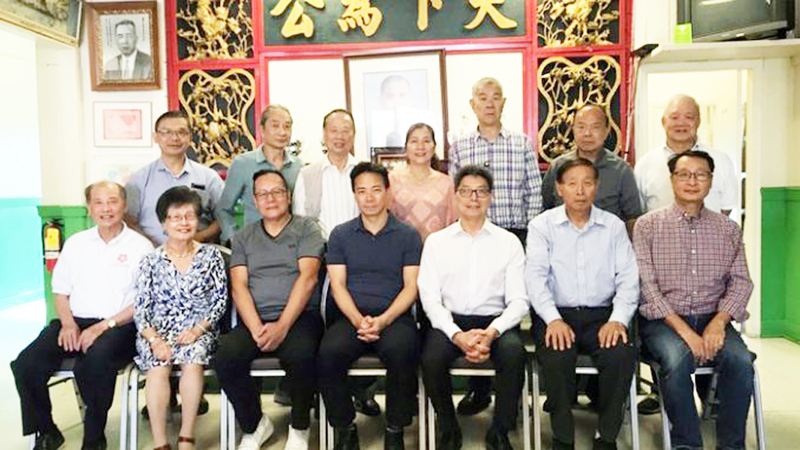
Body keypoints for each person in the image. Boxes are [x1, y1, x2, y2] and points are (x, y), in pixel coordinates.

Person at [11, 181, 153, 450]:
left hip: (119, 325)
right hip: (74, 321)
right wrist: (67, 323)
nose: (106, 209)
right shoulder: (76, 243)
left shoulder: (141, 247)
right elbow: (60, 290)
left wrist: (103, 327)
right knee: (26, 364)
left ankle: (94, 438)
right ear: (89, 208)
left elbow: (144, 301)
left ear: (124, 205)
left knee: (94, 363)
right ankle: (46, 430)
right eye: (98, 202)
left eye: (112, 201)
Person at [635, 150, 755, 450]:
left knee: (740, 361)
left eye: (701, 175)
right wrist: (687, 333)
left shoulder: (728, 229)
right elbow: (646, 287)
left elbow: (741, 282)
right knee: (677, 360)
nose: (692, 181)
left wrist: (718, 323)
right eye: (684, 174)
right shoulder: (647, 226)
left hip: (714, 317)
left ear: (711, 181)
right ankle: (686, 444)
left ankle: (731, 445)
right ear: (672, 179)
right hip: (664, 322)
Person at [526, 158, 639, 450]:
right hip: (557, 315)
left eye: (587, 183)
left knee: (620, 355)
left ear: (596, 187)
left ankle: (607, 435)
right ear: (559, 188)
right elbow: (535, 279)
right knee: (556, 356)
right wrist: (552, 319)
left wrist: (618, 320)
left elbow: (628, 279)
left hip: (603, 315)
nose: (580, 190)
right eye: (572, 183)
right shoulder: (542, 226)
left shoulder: (613, 226)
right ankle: (563, 437)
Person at [448, 76, 542, 415]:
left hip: (513, 236)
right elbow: (456, 192)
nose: (489, 103)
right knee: (477, 307)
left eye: (495, 97)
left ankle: (510, 399)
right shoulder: (460, 146)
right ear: (472, 104)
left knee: (510, 314)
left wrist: (530, 241)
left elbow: (534, 192)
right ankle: (479, 392)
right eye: (482, 97)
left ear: (504, 103)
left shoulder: (521, 143)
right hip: (473, 235)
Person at [212, 169, 325, 450]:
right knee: (225, 356)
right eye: (263, 194)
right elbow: (239, 286)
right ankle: (255, 424)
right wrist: (256, 329)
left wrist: (282, 327)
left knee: (301, 355)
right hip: (255, 319)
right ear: (254, 200)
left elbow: (308, 278)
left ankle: (299, 426)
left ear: (288, 195)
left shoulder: (307, 229)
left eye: (276, 192)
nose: (270, 199)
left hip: (299, 317)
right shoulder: (243, 237)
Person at [419, 166, 528, 450]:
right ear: (455, 197)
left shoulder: (509, 242)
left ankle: (500, 430)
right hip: (450, 322)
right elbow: (430, 299)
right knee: (431, 358)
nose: (473, 198)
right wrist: (457, 334)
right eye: (466, 191)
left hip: (496, 323)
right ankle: (448, 426)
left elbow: (519, 300)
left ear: (491, 197)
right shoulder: (436, 242)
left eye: (481, 191)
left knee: (514, 354)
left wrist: (491, 332)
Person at [318, 163, 422, 450]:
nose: (369, 197)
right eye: (362, 191)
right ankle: (345, 427)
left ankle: (395, 428)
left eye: (376, 190)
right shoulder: (340, 235)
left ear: (388, 192)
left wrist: (383, 320)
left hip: (394, 317)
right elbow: (338, 285)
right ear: (354, 195)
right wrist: (357, 320)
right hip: (351, 317)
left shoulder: (408, 235)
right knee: (328, 354)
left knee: (402, 351)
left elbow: (411, 287)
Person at [134, 187, 228, 450]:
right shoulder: (150, 261)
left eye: (189, 216)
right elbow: (141, 310)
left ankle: (187, 436)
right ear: (164, 223)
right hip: (158, 331)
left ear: (198, 220)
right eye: (175, 217)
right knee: (157, 365)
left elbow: (219, 302)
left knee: (192, 358)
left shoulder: (211, 256)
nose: (183, 223)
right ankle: (160, 442)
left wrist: (197, 330)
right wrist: (155, 340)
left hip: (199, 328)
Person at [126, 110, 224, 245]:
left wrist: (196, 239)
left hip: (198, 252)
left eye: (181, 132)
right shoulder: (139, 179)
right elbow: (129, 220)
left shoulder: (208, 177)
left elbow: (223, 217)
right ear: (155, 137)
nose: (174, 138)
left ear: (190, 137)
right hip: (152, 252)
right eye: (166, 132)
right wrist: (152, 246)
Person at [634, 94, 738, 216]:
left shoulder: (721, 160)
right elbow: (637, 211)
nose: (681, 123)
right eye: (674, 117)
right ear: (663, 122)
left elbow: (726, 208)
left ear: (698, 122)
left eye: (689, 117)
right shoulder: (645, 164)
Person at [541, 104, 641, 226]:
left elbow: (633, 218)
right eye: (581, 127)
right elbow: (545, 209)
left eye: (595, 127)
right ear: (573, 130)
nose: (587, 133)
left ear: (606, 131)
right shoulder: (557, 167)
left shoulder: (621, 170)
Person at [217, 105, 302, 244]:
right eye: (275, 126)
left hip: (290, 244)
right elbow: (223, 209)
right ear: (262, 129)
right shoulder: (242, 164)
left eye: (287, 126)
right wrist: (233, 239)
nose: (282, 132)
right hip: (252, 244)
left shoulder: (298, 166)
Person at [293, 109, 360, 239]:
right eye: (334, 130)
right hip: (320, 248)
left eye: (345, 131)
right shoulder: (306, 175)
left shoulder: (365, 174)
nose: (340, 136)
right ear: (324, 134)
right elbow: (299, 222)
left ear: (353, 134)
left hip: (359, 247)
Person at [389, 123, 456, 241]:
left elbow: (453, 224)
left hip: (438, 248)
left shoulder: (448, 183)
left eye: (426, 141)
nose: (420, 146)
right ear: (406, 147)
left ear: (434, 147)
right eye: (414, 141)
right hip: (401, 248)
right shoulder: (391, 181)